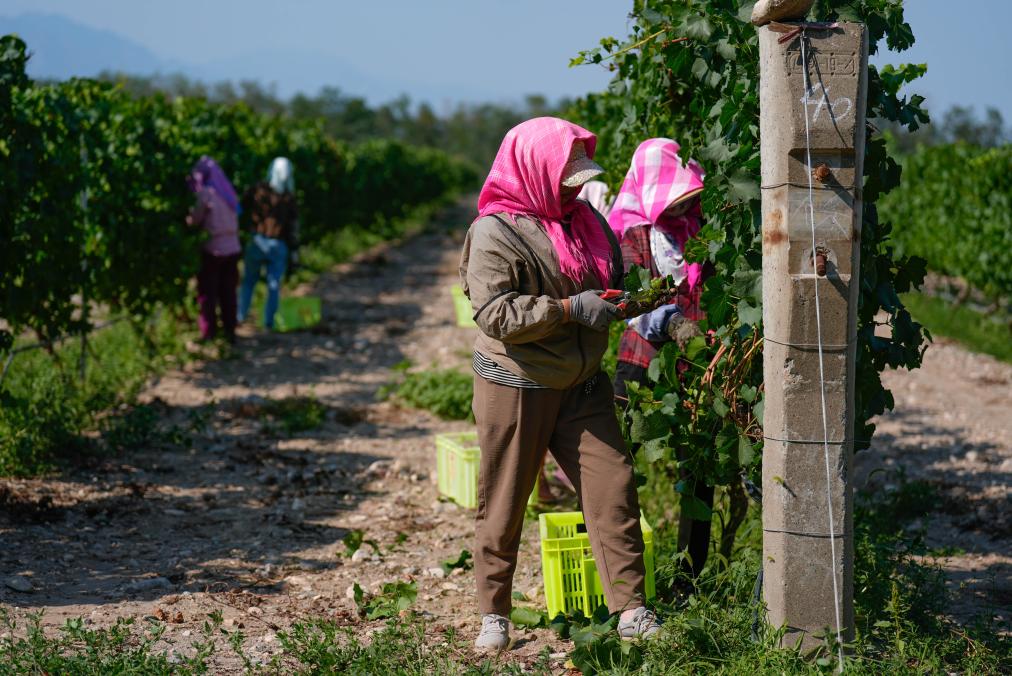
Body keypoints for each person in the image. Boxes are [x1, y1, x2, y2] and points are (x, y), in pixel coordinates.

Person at [460, 117, 661, 652]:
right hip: (518, 383)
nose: (574, 187)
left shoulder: (583, 219)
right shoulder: (495, 231)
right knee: (505, 501)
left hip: (582, 383)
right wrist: (571, 309)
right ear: (534, 170)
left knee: (613, 487)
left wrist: (626, 303)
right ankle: (494, 613)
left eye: (579, 179)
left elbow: (602, 277)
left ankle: (632, 609)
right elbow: (496, 314)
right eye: (565, 178)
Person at [607, 138, 713, 581]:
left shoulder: (699, 226)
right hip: (642, 358)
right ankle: (616, 565)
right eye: (670, 201)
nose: (678, 210)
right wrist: (674, 324)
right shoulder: (631, 232)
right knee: (614, 455)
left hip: (699, 362)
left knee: (699, 466)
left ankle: (690, 574)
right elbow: (633, 299)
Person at [238, 157, 300, 330]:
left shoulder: (258, 190)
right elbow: (293, 228)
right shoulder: (288, 198)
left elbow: (239, 208)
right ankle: (268, 322)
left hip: (257, 240)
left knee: (249, 281)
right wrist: (295, 252)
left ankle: (241, 316)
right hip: (277, 244)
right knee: (273, 284)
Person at [186, 156, 242, 343]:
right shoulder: (228, 192)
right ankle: (230, 332)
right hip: (233, 248)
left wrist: (187, 220)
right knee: (228, 292)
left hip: (213, 251)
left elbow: (195, 220)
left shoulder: (206, 194)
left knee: (208, 294)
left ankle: (209, 333)